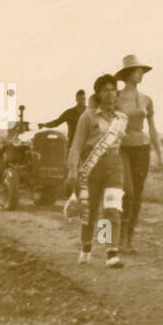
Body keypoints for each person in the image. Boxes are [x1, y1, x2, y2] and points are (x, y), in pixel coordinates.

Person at [67, 74, 129, 268]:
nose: (110, 94)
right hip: (91, 167)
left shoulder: (122, 118)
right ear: (98, 94)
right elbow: (76, 145)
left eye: (113, 90)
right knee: (90, 210)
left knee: (112, 208)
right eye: (105, 90)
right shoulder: (88, 117)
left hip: (114, 165)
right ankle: (86, 247)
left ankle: (110, 252)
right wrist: (72, 170)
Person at [114, 54, 163, 253]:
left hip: (141, 148)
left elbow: (152, 128)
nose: (141, 73)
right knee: (127, 191)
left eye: (142, 70)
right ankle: (110, 236)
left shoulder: (146, 99)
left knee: (137, 195)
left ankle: (127, 240)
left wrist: (160, 155)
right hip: (120, 148)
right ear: (127, 74)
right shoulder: (115, 97)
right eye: (137, 70)